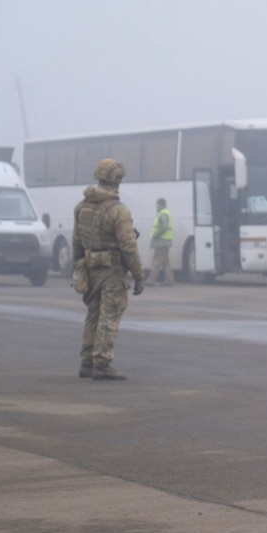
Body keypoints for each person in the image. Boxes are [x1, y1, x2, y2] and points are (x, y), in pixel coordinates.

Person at [73, 159, 145, 381]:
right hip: (112, 272)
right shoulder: (118, 211)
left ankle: (87, 361)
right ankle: (102, 363)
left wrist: (78, 268)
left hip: (90, 268)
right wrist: (139, 275)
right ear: (117, 180)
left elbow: (76, 242)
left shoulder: (82, 207)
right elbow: (129, 247)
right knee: (109, 315)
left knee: (92, 315)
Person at [150, 197, 174, 286]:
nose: (156, 206)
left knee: (156, 262)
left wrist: (155, 235)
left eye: (157, 204)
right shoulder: (165, 213)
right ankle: (169, 280)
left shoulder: (163, 214)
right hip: (165, 241)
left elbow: (164, 227)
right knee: (165, 262)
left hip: (161, 242)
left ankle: (151, 280)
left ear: (161, 205)